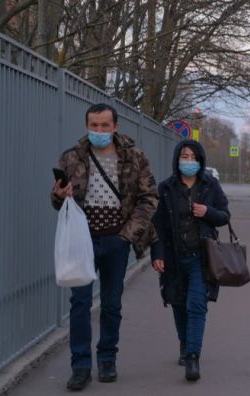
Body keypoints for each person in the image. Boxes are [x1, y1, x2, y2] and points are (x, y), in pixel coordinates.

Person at [51, 103, 158, 391]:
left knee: (111, 303)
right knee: (80, 303)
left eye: (104, 126)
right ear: (87, 126)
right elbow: (58, 203)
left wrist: (127, 235)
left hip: (116, 240)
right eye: (93, 125)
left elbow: (149, 198)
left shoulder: (135, 158)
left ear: (115, 127)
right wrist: (59, 195)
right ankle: (81, 365)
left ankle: (108, 358)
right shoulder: (72, 158)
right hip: (81, 241)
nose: (99, 131)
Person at [150, 140, 230, 381]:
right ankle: (184, 344)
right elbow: (158, 225)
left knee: (196, 304)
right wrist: (157, 254)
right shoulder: (166, 188)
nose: (188, 161)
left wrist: (208, 212)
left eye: (193, 157)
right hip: (173, 257)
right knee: (178, 303)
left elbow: (225, 215)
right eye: (184, 156)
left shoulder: (210, 185)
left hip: (201, 257)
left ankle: (193, 357)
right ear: (177, 159)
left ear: (200, 161)